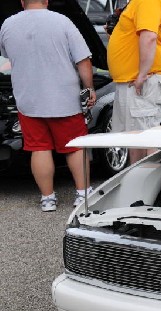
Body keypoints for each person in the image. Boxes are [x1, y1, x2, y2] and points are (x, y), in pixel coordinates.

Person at [0, 0, 95, 212]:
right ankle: (82, 194)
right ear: (46, 1)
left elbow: (7, 55)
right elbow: (83, 61)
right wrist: (89, 88)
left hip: (28, 100)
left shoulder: (8, 24)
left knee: (39, 148)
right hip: (64, 98)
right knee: (75, 147)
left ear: (22, 2)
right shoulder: (63, 22)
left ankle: (47, 199)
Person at [107, 0, 161, 164]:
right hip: (135, 81)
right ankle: (138, 183)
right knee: (136, 140)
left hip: (143, 81)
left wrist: (142, 74)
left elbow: (149, 36)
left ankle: (146, 186)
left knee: (144, 140)